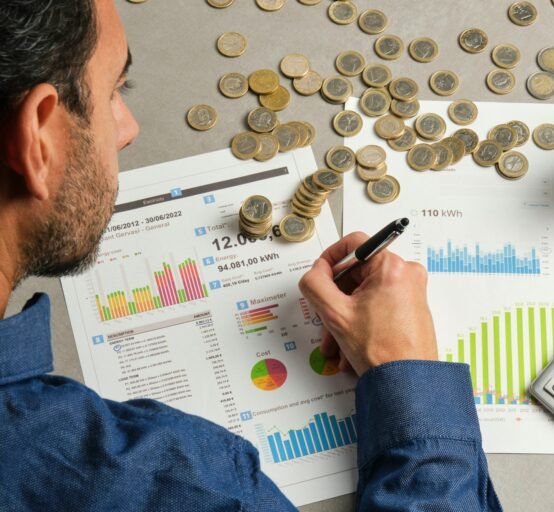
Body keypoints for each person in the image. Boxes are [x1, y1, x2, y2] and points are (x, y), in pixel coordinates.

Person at [0, 1, 501, 510]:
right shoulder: (174, 481)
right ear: (39, 135)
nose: (127, 129)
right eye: (113, 90)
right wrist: (406, 374)